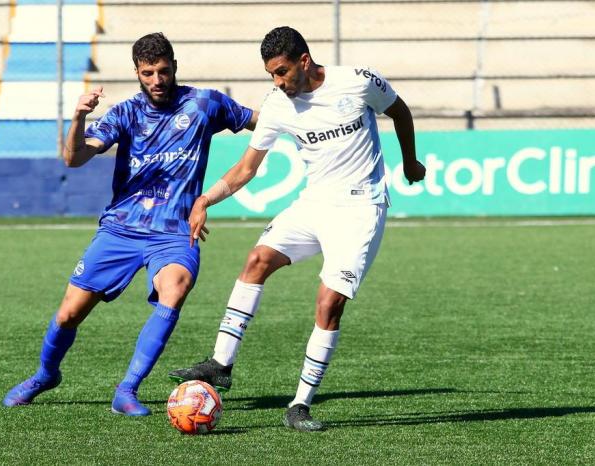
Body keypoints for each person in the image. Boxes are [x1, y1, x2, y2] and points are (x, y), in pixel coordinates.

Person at [168, 26, 426, 431]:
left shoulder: (357, 83)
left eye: (282, 71)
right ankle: (221, 364)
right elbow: (246, 169)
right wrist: (205, 200)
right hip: (314, 204)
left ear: (304, 61)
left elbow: (400, 111)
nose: (278, 81)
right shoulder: (277, 104)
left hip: (361, 208)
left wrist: (410, 161)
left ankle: (300, 405)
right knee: (257, 260)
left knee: (328, 304)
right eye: (271, 74)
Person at [2, 32, 257, 416]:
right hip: (121, 228)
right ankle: (45, 374)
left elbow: (262, 122)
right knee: (69, 313)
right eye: (148, 72)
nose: (157, 79)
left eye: (163, 71)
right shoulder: (125, 113)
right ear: (138, 73)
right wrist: (79, 116)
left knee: (175, 288)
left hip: (173, 231)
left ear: (175, 67)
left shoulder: (205, 103)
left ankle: (127, 390)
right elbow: (74, 158)